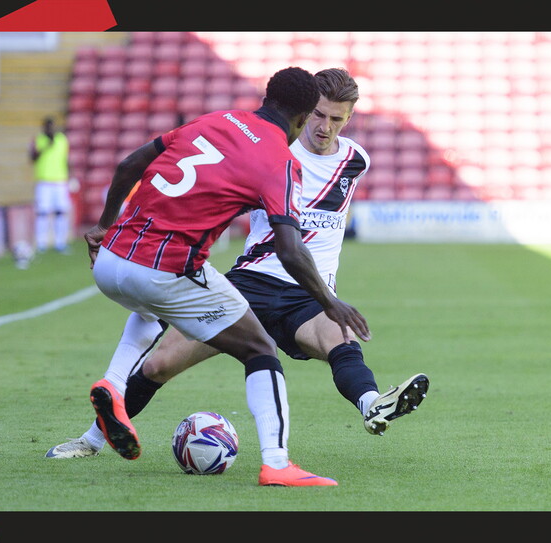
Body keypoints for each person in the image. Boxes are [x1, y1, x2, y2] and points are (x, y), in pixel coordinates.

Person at [47, 68, 428, 467]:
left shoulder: (355, 161)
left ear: (349, 119)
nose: (324, 126)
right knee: (159, 364)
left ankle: (373, 405)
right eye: (318, 115)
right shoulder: (275, 151)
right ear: (303, 112)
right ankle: (91, 439)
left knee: (342, 344)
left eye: (336, 118)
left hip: (306, 295)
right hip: (250, 283)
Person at [29, 116, 72, 253]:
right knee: (42, 212)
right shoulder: (38, 139)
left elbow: (66, 159)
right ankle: (41, 243)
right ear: (44, 128)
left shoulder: (62, 140)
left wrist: (71, 176)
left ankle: (61, 242)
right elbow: (33, 158)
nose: (50, 129)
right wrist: (45, 147)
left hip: (60, 181)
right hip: (44, 181)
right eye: (47, 127)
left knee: (61, 211)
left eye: (52, 126)